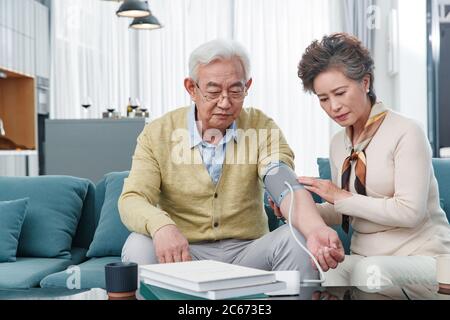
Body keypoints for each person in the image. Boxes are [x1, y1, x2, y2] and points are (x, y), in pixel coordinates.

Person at [118, 39, 344, 279]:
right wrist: (161, 226)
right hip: (184, 255)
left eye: (236, 91)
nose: (225, 103)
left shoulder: (261, 126)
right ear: (191, 89)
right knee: (137, 245)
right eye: (213, 92)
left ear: (247, 86)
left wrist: (315, 228)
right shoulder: (158, 133)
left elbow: (280, 180)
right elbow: (133, 198)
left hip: (248, 254)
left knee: (296, 236)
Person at [290, 32, 450, 289]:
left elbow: (410, 212)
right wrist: (298, 209)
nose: (334, 106)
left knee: (370, 272)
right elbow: (345, 210)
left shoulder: (407, 131)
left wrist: (338, 196)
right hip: (367, 258)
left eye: (340, 93)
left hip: (425, 259)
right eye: (323, 99)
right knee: (317, 272)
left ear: (365, 82)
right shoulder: (338, 143)